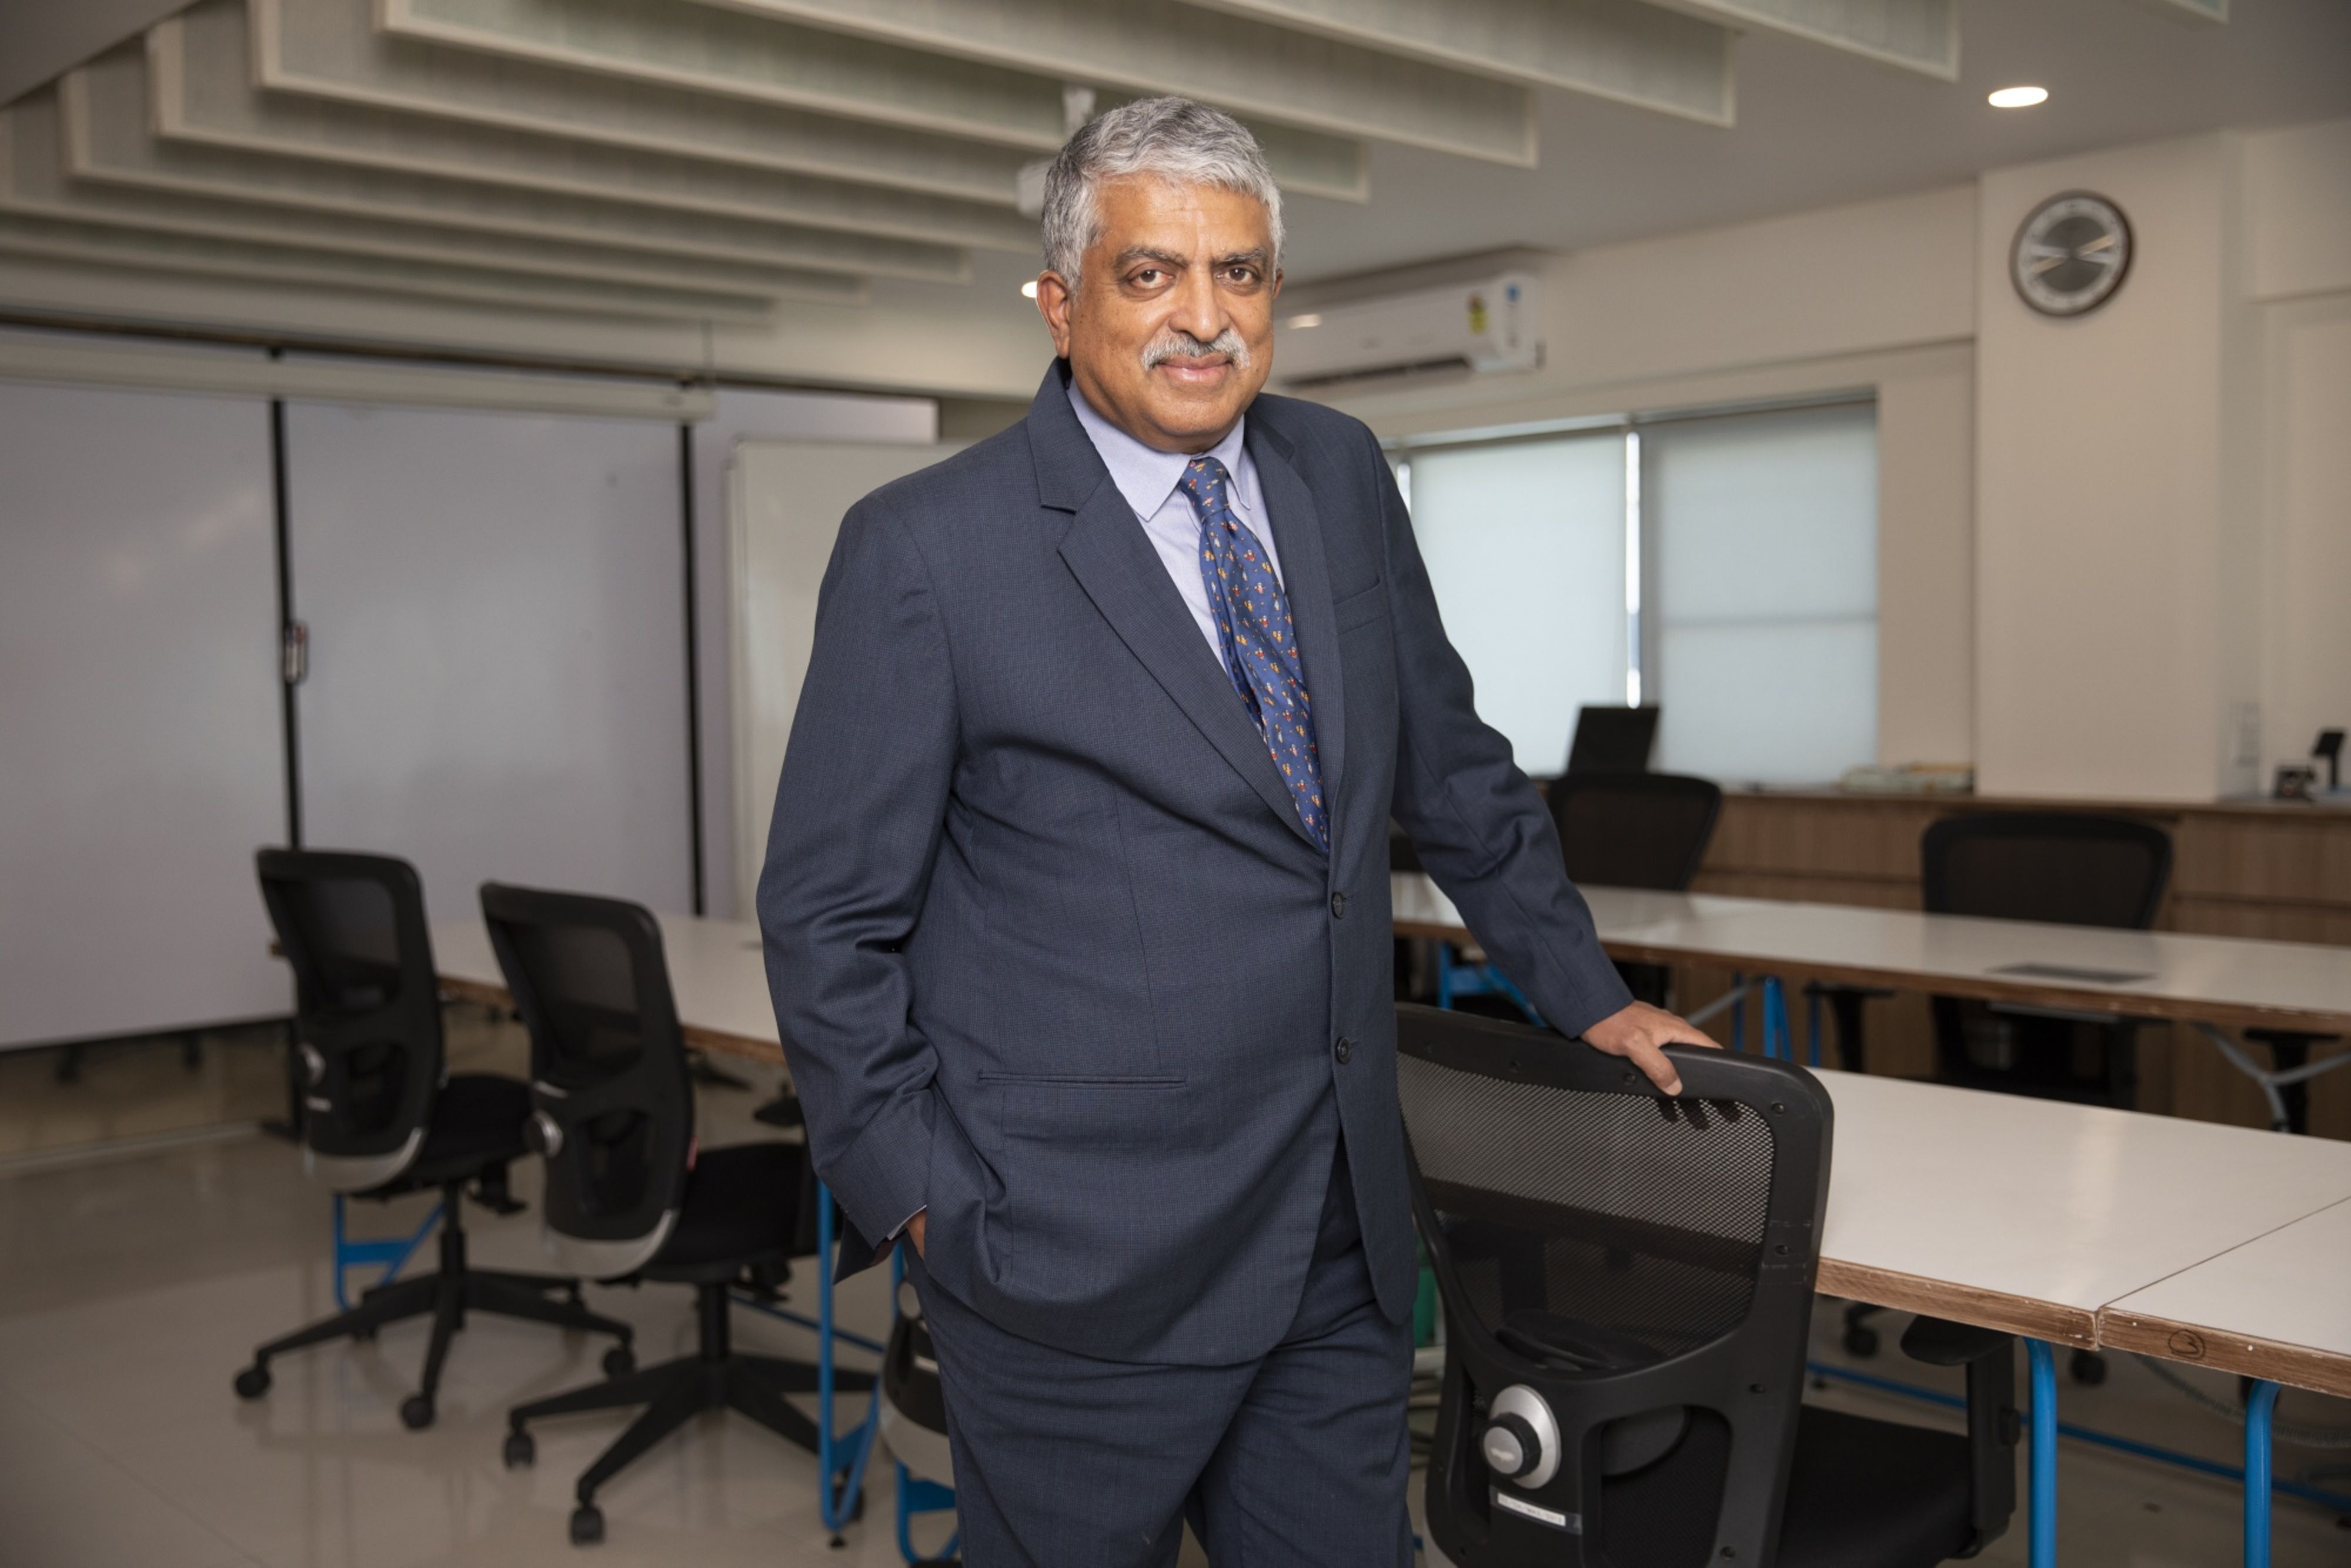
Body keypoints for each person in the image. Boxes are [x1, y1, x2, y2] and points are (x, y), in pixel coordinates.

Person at [759, 95, 1718, 1567]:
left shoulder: (1336, 473)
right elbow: (828, 910)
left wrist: (1586, 994)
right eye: (1151, 275)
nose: (1204, 319)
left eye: (1243, 274)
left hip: (1335, 1225)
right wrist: (920, 1199)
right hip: (1068, 1253)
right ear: (1060, 300)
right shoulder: (929, 547)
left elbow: (1450, 767)